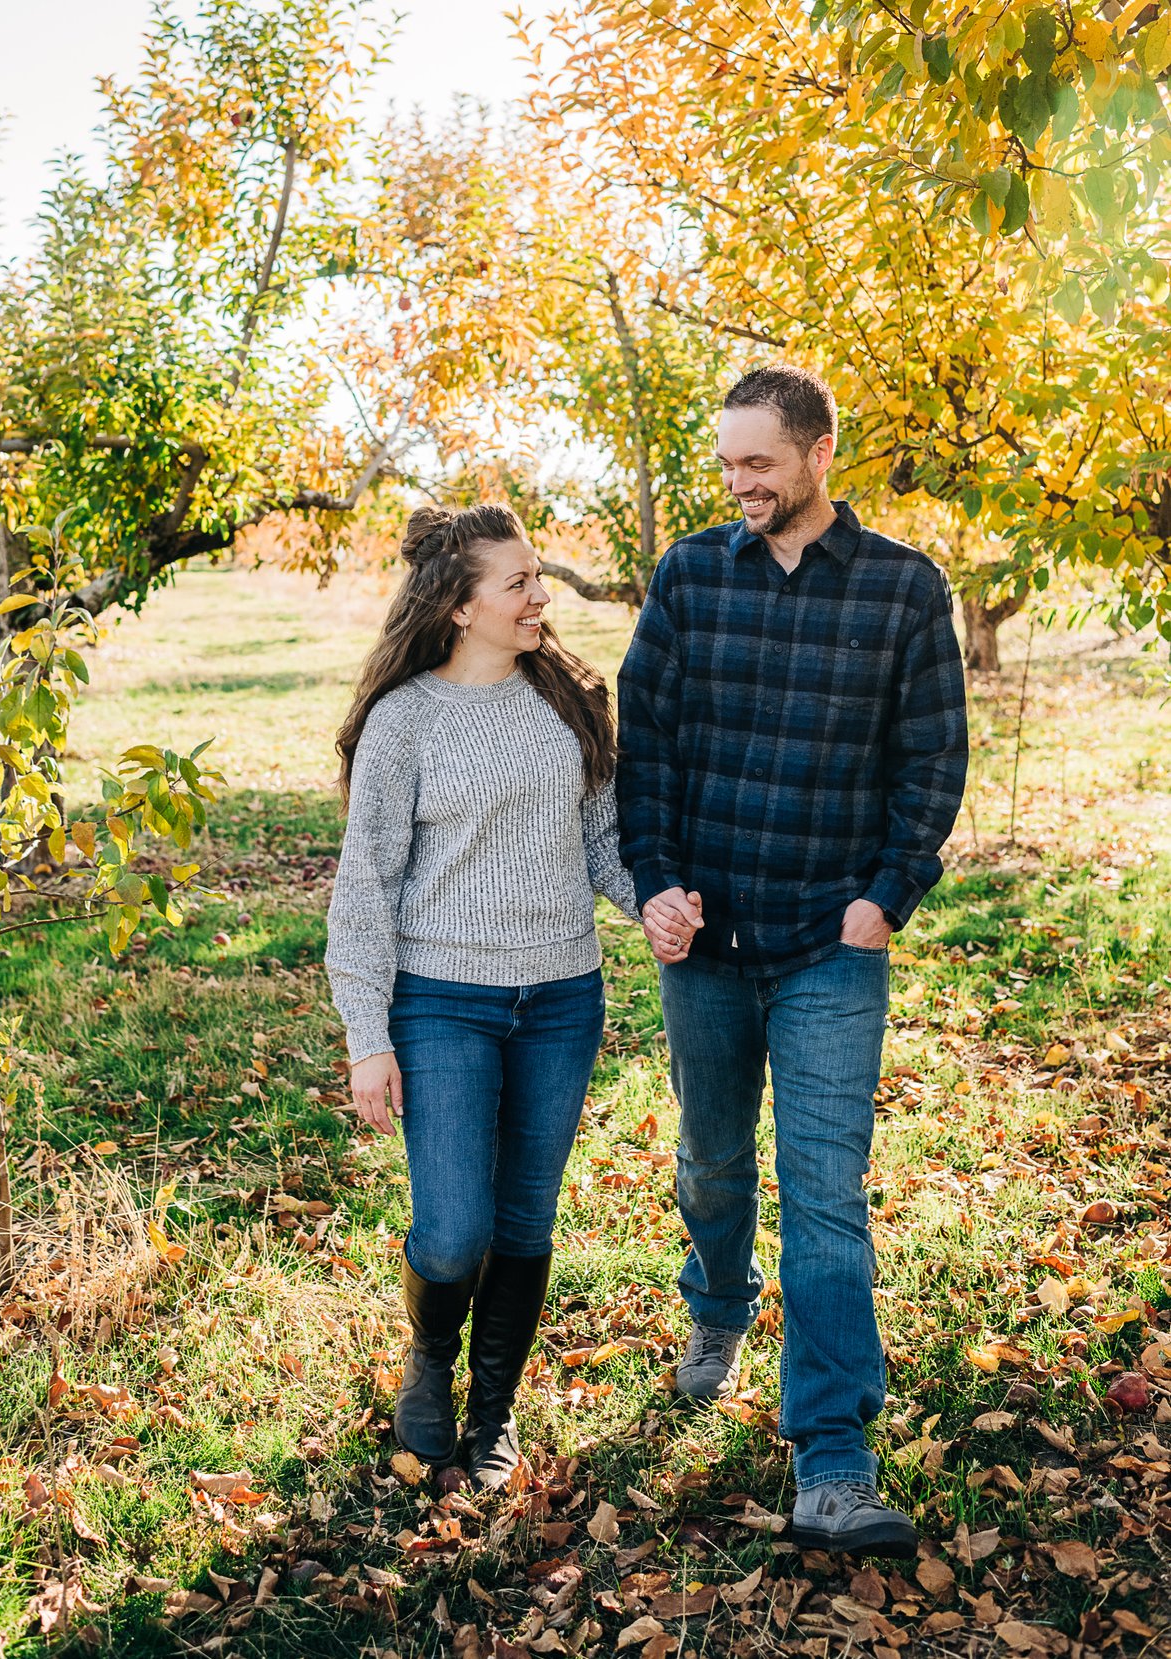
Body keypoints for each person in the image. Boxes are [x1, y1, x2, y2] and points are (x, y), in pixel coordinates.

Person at [619, 363, 967, 1556]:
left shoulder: (901, 591)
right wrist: (651, 881)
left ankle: (831, 1454)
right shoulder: (688, 579)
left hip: (830, 942)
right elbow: (646, 746)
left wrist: (889, 892)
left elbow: (931, 758)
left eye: (757, 462)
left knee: (825, 1196)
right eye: (726, 464)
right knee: (713, 1163)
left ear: (822, 452)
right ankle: (717, 1308)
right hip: (704, 942)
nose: (739, 483)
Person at [326, 503, 658, 1491]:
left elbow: (602, 842)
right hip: (442, 1002)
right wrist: (365, 1035)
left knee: (523, 1223)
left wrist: (658, 907)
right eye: (517, 583)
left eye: (537, 579)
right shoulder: (405, 721)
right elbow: (365, 885)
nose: (539, 597)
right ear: (460, 605)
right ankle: (428, 1367)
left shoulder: (568, 701)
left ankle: (493, 1410)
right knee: (454, 1227)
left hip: (561, 998)